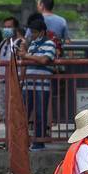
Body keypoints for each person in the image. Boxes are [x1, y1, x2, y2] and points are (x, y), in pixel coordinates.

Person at [19, 14, 56, 148]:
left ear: (42, 32)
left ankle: (39, 142)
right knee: (24, 113)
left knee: (40, 113)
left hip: (42, 85)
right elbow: (27, 61)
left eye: (34, 32)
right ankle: (23, 141)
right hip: (28, 83)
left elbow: (45, 60)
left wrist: (27, 56)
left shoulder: (50, 44)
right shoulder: (32, 44)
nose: (32, 34)